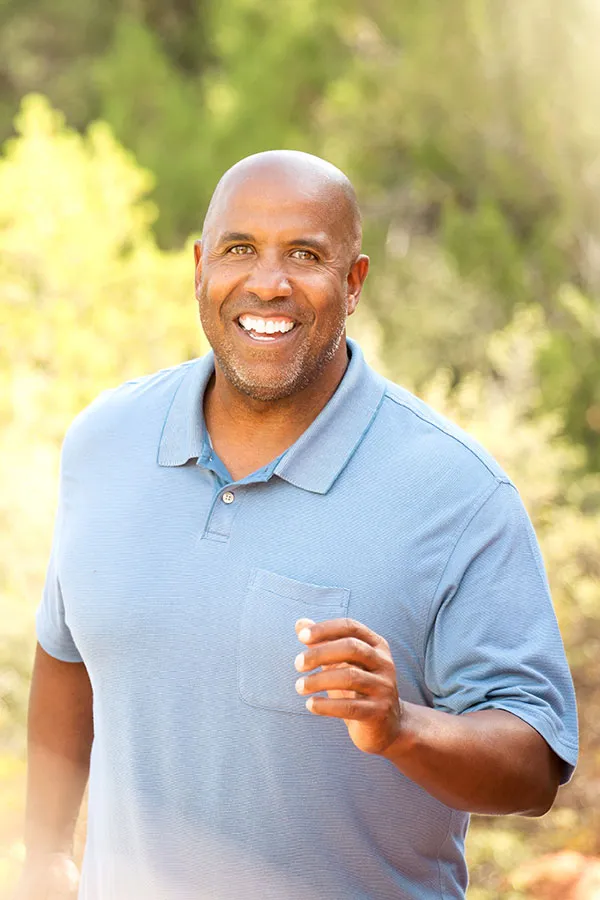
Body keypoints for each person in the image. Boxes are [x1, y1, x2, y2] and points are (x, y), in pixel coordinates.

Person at [17, 150, 578, 900]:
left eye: (306, 255)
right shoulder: (105, 441)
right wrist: (46, 851)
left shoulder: (457, 493)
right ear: (199, 268)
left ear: (354, 283)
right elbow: (66, 651)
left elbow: (536, 768)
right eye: (239, 249)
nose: (268, 282)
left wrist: (401, 728)